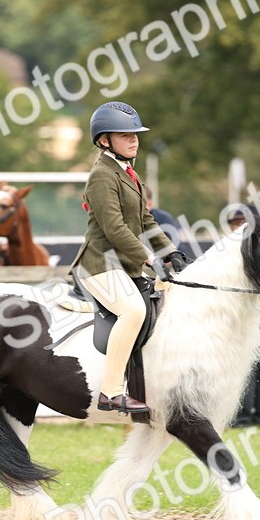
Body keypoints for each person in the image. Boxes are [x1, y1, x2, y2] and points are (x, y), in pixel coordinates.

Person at [71, 101, 186, 414]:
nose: (134, 140)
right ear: (104, 140)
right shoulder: (101, 176)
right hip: (100, 264)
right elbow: (114, 228)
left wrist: (170, 251)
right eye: (125, 135)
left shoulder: (128, 173)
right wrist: (149, 258)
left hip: (125, 265)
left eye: (135, 134)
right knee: (133, 311)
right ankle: (110, 392)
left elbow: (146, 220)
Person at [227, 208, 260, 426]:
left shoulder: (256, 248)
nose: (238, 228)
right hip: (258, 311)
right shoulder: (241, 246)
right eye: (235, 223)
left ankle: (243, 416)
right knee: (258, 362)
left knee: (247, 359)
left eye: (243, 223)